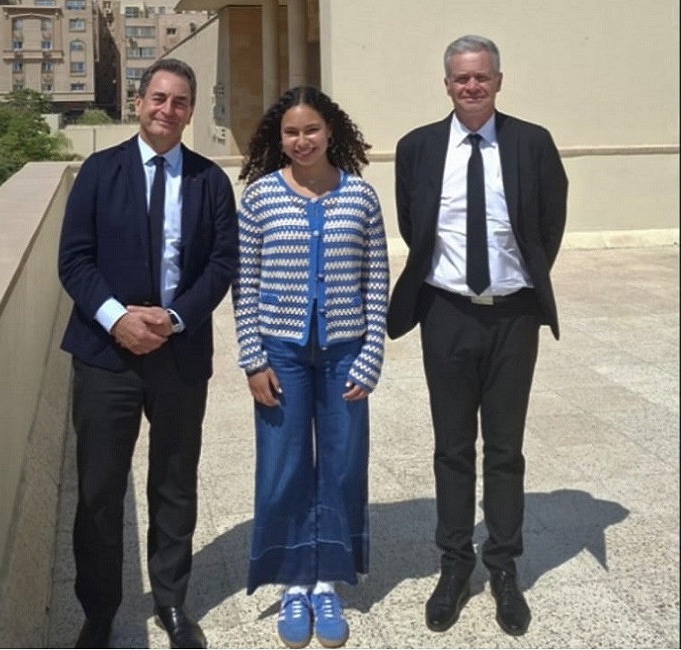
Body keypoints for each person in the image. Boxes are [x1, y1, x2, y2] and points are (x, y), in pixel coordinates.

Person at [387, 35, 567, 637]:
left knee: (506, 450)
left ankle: (504, 567)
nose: (471, 86)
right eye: (461, 78)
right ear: (446, 84)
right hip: (447, 315)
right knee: (452, 447)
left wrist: (522, 285)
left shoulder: (532, 143)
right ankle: (454, 565)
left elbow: (549, 223)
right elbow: (415, 227)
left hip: (513, 317)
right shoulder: (417, 147)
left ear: (498, 80)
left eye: (481, 77)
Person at [58, 58, 238, 649]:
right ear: (138, 103)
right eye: (158, 98)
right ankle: (100, 609)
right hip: (106, 354)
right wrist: (119, 321)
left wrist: (175, 317)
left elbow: (221, 266)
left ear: (190, 111)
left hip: (179, 353)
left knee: (174, 482)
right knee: (101, 489)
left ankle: (171, 602)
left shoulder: (210, 181)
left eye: (180, 101)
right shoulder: (98, 172)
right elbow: (75, 261)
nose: (167, 109)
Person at [232, 86, 389, 649]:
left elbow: (377, 281)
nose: (302, 141)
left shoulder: (360, 198)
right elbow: (243, 286)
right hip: (282, 354)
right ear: (279, 138)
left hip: (346, 351)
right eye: (291, 133)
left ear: (331, 133)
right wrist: (252, 358)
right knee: (284, 463)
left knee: (344, 465)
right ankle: (293, 580)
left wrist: (371, 355)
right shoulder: (259, 199)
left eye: (311, 130)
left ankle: (328, 580)